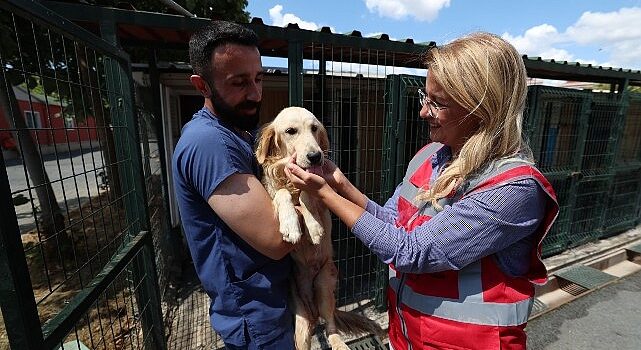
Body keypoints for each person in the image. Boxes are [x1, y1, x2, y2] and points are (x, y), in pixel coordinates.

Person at [285, 32, 559, 350]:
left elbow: (409, 252)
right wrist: (340, 184)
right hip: (408, 336)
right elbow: (391, 219)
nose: (423, 112)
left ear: (480, 109)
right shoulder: (429, 157)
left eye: (437, 103)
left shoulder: (513, 190)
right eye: (423, 97)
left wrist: (325, 196)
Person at [172, 21, 296, 349]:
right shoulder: (210, 142)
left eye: (258, 78)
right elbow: (277, 238)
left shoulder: (238, 130)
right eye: (239, 83)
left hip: (272, 305)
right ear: (202, 86)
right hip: (256, 316)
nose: (255, 94)